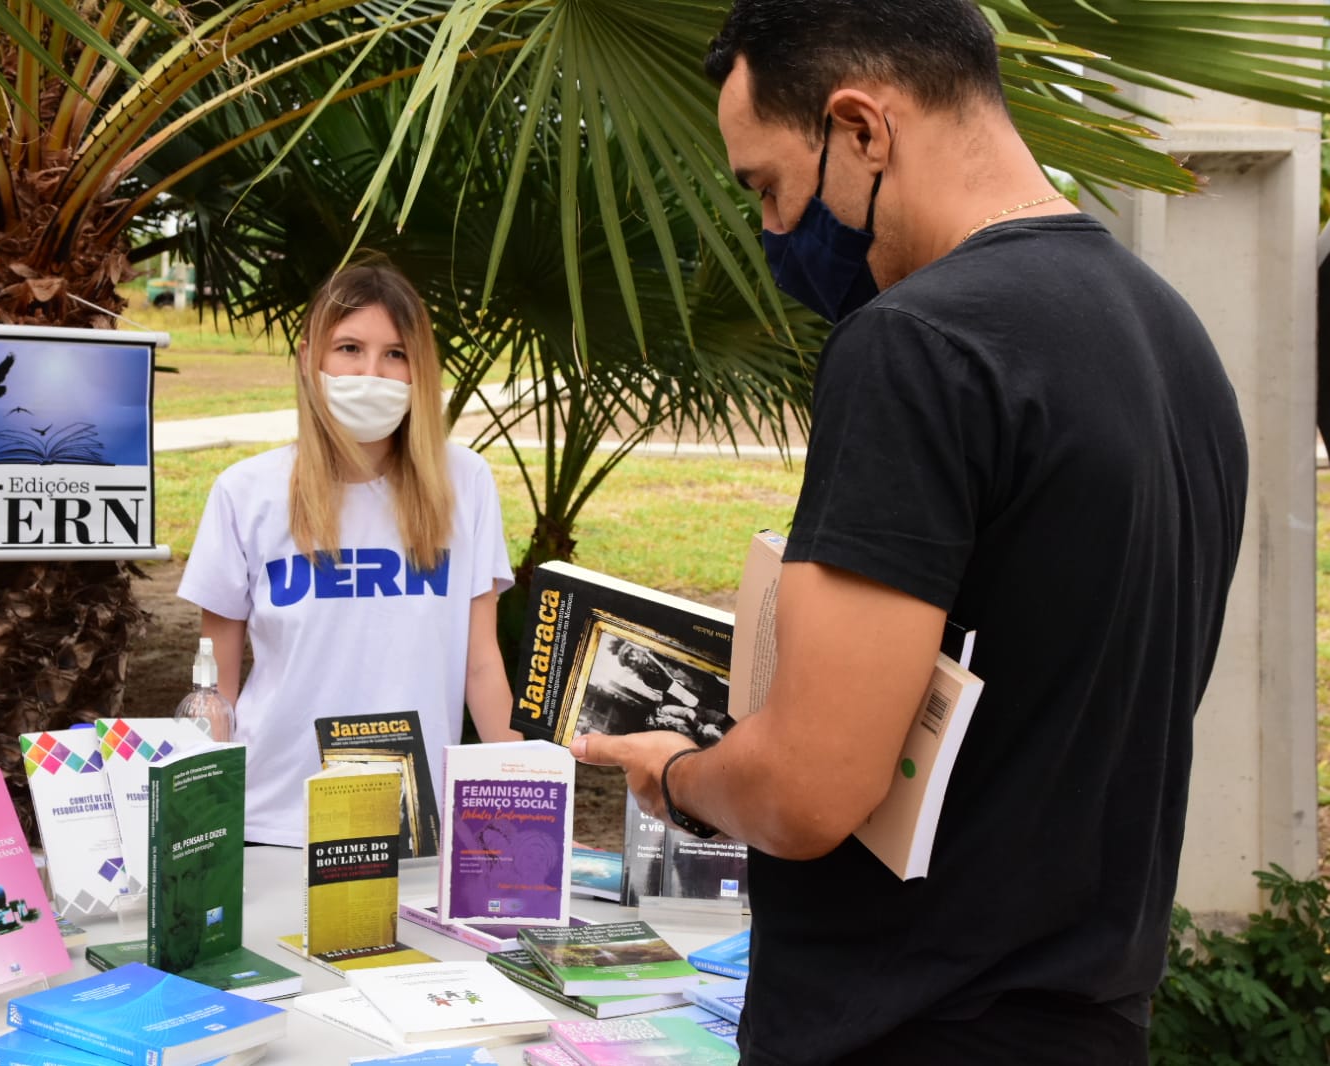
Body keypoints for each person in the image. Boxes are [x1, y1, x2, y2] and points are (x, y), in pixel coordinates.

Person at [572, 2, 1249, 1064]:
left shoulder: (916, 344)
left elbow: (808, 787)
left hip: (906, 1025)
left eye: (768, 187)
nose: (773, 233)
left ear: (861, 130)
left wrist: (681, 774)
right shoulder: (1176, 340)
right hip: (1094, 1017)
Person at [178, 256, 520, 847]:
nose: (372, 372)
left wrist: (524, 793)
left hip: (413, 818)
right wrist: (199, 811)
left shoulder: (465, 483)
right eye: (349, 349)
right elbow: (218, 687)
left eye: (395, 354)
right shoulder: (247, 491)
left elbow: (481, 662)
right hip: (275, 818)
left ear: (420, 369)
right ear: (311, 357)